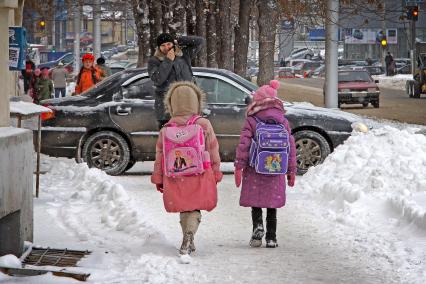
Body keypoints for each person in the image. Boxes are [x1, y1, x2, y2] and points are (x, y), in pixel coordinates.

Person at [151, 81, 223, 255]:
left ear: (172, 104)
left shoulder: (167, 128)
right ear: (196, 102)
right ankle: (190, 234)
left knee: (185, 206)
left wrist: (159, 177)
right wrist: (216, 171)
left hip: (176, 175)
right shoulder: (203, 124)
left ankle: (186, 235)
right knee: (195, 206)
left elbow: (160, 155)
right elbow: (213, 149)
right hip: (200, 172)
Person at [234, 80, 297, 248]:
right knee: (272, 205)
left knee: (256, 201)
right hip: (276, 169)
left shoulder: (252, 120)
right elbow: (290, 147)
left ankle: (257, 230)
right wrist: (291, 171)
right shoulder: (283, 121)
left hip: (255, 167)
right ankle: (271, 237)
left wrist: (239, 165)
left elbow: (244, 144)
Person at [148, 33, 204, 129]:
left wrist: (179, 39)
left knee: (189, 139)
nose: (166, 48)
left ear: (173, 44)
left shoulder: (184, 55)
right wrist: (168, 61)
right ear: (159, 47)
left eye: (168, 44)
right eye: (163, 45)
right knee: (170, 141)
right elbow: (157, 79)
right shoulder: (154, 61)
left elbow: (200, 41)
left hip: (188, 106)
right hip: (167, 111)